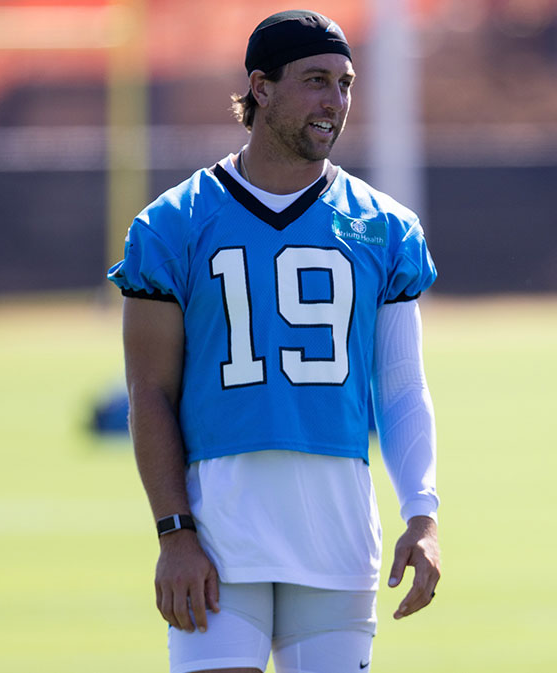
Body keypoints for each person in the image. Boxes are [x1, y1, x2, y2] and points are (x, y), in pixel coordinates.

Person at [107, 10, 441, 673]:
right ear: (260, 87)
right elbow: (150, 393)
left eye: (345, 83)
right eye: (316, 80)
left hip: (337, 537)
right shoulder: (173, 223)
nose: (334, 101)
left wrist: (423, 514)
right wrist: (174, 533)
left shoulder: (385, 227)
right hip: (217, 536)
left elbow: (402, 387)